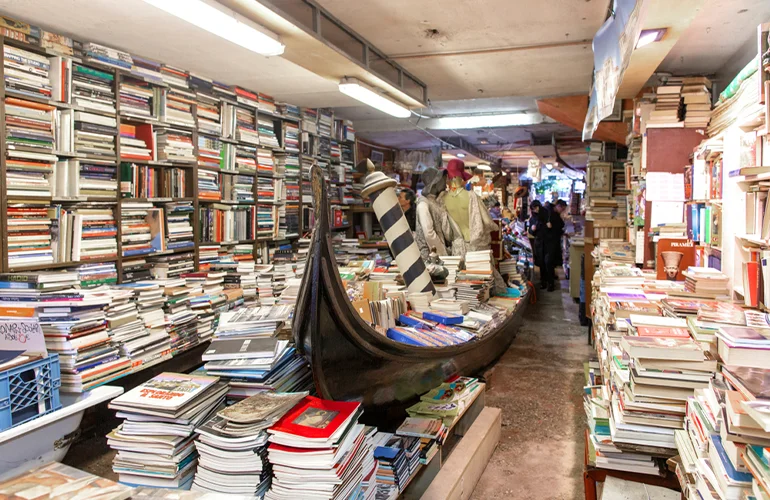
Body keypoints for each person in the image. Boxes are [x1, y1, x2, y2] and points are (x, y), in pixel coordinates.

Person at [542, 199, 567, 292]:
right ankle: (550, 283)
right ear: (558, 206)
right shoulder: (550, 213)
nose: (563, 211)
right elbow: (557, 226)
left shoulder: (552, 212)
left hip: (551, 241)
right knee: (549, 261)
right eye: (563, 209)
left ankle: (550, 280)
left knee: (550, 262)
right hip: (550, 241)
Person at [527, 200, 548, 289]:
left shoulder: (546, 214)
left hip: (547, 241)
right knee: (541, 262)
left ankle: (548, 280)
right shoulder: (533, 218)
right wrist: (532, 229)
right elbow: (530, 231)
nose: (535, 210)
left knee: (547, 262)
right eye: (533, 209)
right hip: (539, 242)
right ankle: (543, 281)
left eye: (536, 207)